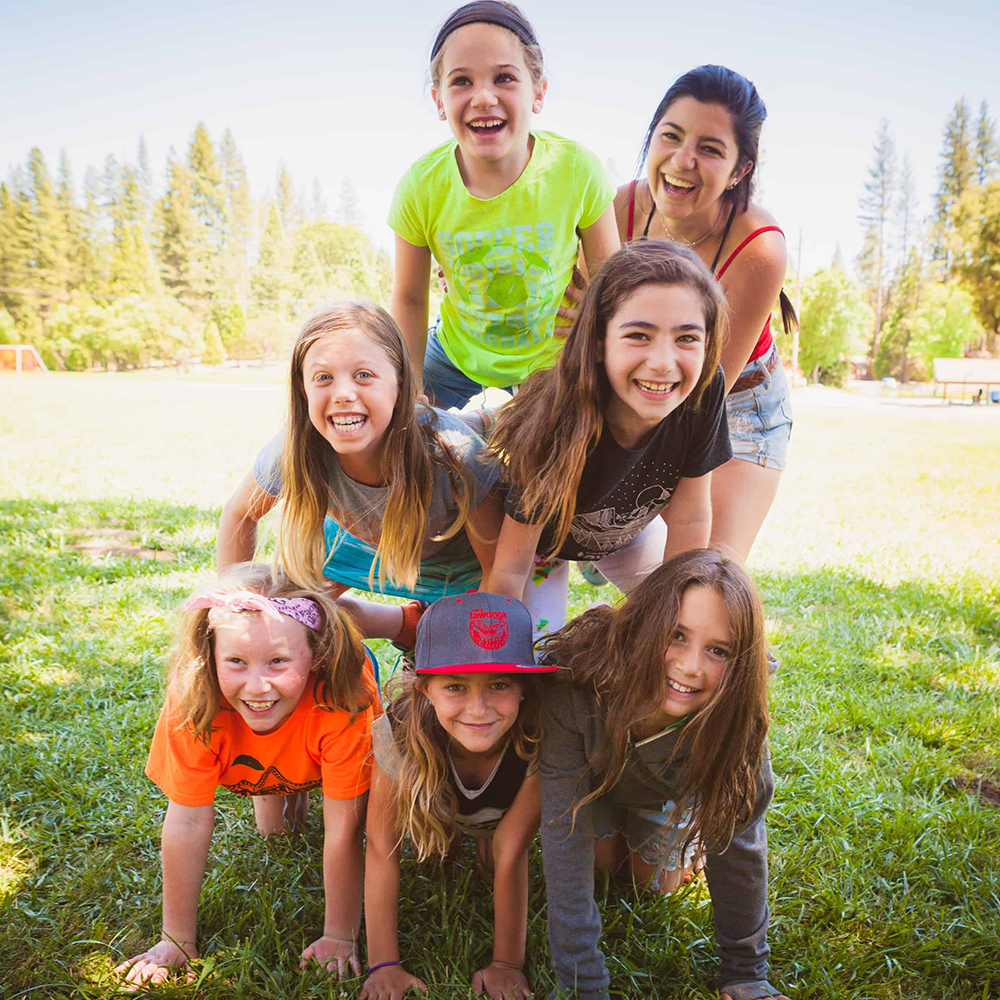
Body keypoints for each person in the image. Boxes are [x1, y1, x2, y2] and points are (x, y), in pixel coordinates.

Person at [536, 549, 788, 1000]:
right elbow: (563, 832)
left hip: (666, 791)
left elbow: (741, 845)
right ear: (645, 623)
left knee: (649, 886)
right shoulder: (576, 687)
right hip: (596, 787)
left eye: (718, 651)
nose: (691, 667)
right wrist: (581, 985)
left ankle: (682, 832)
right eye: (676, 635)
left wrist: (746, 973)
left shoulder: (737, 718)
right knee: (599, 866)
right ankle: (632, 832)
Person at [114, 564, 380, 988]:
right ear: (209, 657)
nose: (257, 686)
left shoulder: (346, 697)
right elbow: (186, 820)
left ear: (317, 657)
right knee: (273, 831)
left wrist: (339, 935)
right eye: (236, 661)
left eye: (278, 661)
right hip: (250, 759)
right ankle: (285, 796)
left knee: (312, 785)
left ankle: (298, 788)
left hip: (317, 740)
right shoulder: (193, 699)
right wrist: (175, 940)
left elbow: (345, 829)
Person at [485, 240, 732, 639]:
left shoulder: (703, 390)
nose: (663, 363)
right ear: (599, 342)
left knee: (701, 626)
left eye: (686, 338)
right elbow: (510, 569)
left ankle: (611, 626)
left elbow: (689, 517)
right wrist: (495, 654)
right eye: (638, 335)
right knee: (535, 654)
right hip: (538, 548)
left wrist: (670, 622)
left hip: (623, 532)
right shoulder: (555, 417)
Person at [218, 303, 504, 632]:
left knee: (454, 635)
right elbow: (240, 513)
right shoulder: (296, 446)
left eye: (363, 375)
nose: (343, 394)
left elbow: (499, 572)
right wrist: (232, 604)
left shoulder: (457, 454)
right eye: (323, 377)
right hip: (366, 544)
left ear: (400, 380)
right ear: (302, 387)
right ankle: (408, 625)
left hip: (461, 559)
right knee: (290, 619)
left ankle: (492, 420)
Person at [389, 0, 619, 407]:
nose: (482, 97)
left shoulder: (577, 170)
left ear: (538, 91)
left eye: (504, 78)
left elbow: (611, 282)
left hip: (552, 367)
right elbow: (409, 299)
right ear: (438, 100)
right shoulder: (420, 187)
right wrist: (410, 390)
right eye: (461, 81)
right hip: (452, 364)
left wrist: (596, 314)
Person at [615, 65, 796, 562]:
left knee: (704, 575)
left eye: (711, 149)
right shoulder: (622, 209)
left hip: (732, 403)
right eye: (670, 136)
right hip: (638, 388)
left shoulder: (760, 248)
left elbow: (702, 393)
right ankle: (618, 532)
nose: (683, 160)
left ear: (740, 170)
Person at [361, 592, 556, 1000]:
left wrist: (507, 963)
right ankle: (450, 831)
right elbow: (382, 847)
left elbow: (511, 849)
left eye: (499, 684)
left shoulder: (542, 736)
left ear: (524, 688)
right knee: (439, 846)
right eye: (455, 686)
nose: (479, 709)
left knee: (491, 859)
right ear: (425, 688)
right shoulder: (396, 732)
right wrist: (384, 964)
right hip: (441, 806)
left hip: (498, 822)